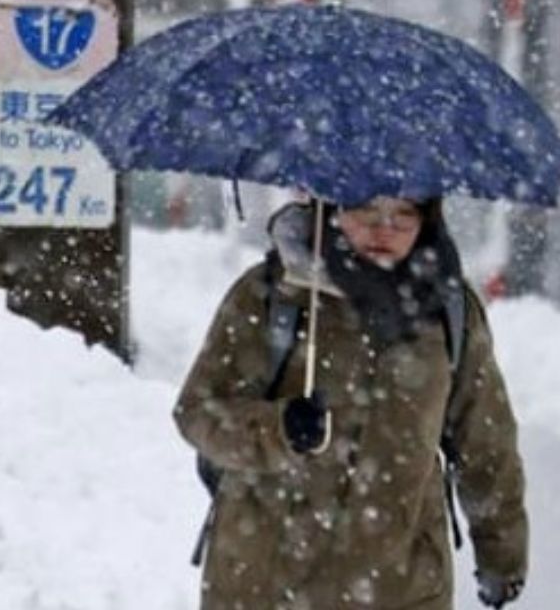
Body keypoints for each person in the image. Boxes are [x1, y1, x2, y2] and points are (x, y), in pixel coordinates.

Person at [175, 195, 529, 609]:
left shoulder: (449, 310)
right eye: (366, 210)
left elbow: (486, 444)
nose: (384, 229)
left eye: (404, 214)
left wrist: (502, 554)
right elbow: (198, 410)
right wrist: (278, 428)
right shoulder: (272, 294)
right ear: (329, 208)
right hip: (266, 584)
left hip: (401, 587)